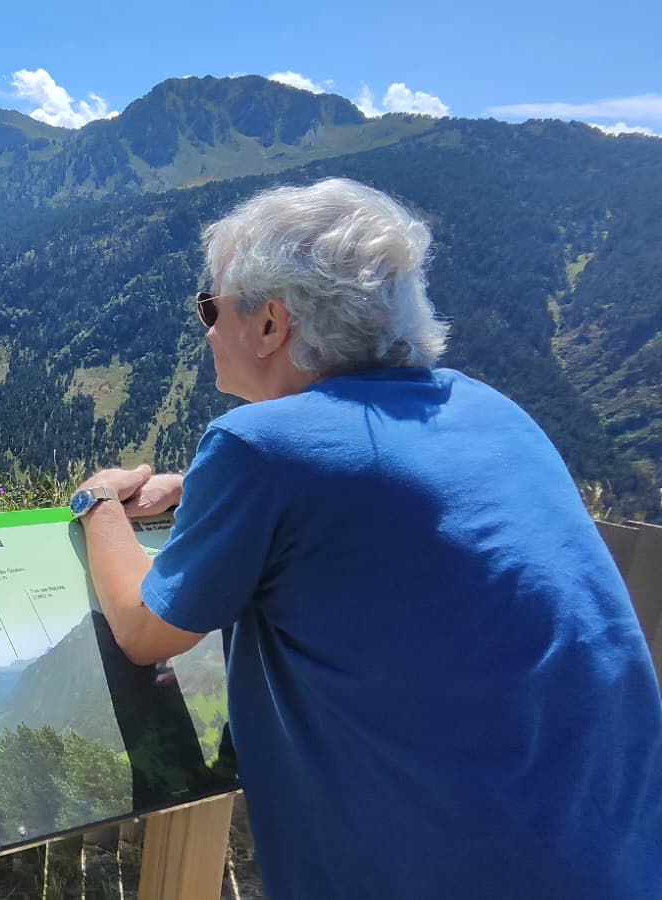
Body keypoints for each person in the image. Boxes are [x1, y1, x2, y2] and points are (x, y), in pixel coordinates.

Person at [71, 177, 662, 899]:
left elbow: (142, 629)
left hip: (440, 867)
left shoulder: (259, 446)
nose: (205, 328)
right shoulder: (490, 411)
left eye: (211, 306)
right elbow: (383, 485)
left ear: (270, 324)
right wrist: (197, 489)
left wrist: (97, 502)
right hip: (610, 847)